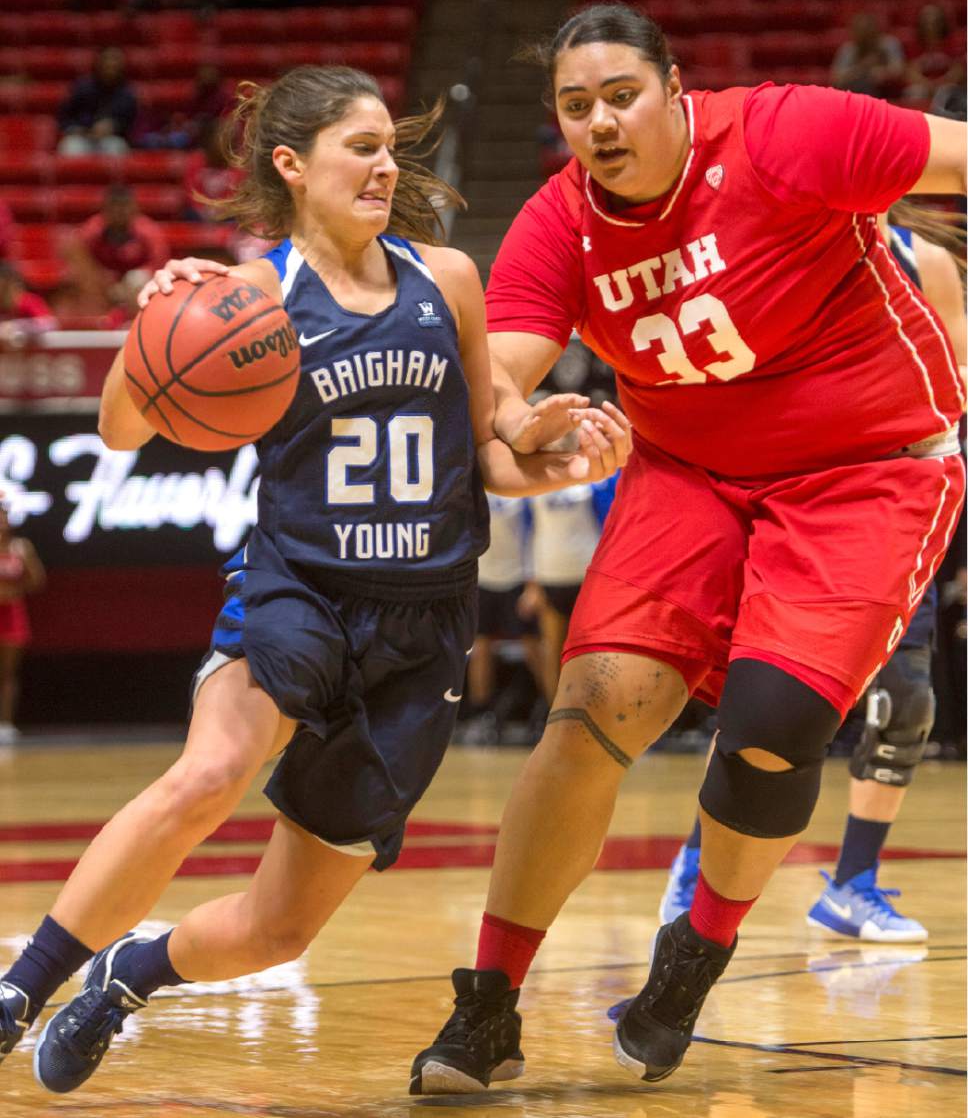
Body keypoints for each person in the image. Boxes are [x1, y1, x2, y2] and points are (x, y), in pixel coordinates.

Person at [0, 63, 629, 1092]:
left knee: (279, 930)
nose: (387, 165)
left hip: (424, 621)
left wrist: (562, 454)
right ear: (291, 164)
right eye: (362, 146)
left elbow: (492, 447)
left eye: (391, 146)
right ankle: (20, 987)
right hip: (301, 588)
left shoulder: (446, 281)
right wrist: (152, 325)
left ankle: (126, 974)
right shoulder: (253, 294)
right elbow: (121, 425)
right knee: (207, 775)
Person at [409, 3, 966, 1095]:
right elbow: (508, 375)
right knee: (591, 706)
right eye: (575, 107)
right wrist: (526, 424)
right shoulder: (558, 221)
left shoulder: (785, 133)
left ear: (674, 90)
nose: (599, 122)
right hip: (685, 472)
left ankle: (690, 958)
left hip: (865, 465)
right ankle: (486, 1002)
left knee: (770, 724)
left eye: (619, 95)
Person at [659, 210, 967, 944]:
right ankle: (699, 861)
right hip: (794, 499)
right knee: (768, 702)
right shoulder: (766, 242)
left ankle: (852, 883)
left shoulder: (923, 256)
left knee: (908, 695)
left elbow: (952, 385)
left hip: (893, 495)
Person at [519, 470, 618, 704]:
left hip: (588, 575)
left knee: (592, 650)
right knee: (553, 650)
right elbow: (528, 533)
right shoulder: (535, 483)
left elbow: (609, 526)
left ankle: (595, 711)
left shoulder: (595, 480)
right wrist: (531, 584)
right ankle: (554, 713)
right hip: (550, 575)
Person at [462, 491, 542, 746]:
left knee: (534, 648)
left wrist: (533, 584)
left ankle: (554, 707)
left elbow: (535, 534)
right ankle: (482, 714)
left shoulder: (525, 491)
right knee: (480, 647)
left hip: (518, 577)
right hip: (483, 578)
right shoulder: (473, 490)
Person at [64, 184, 171, 315]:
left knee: (136, 279)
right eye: (114, 207)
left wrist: (127, 284)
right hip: (103, 285)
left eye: (124, 207)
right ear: (105, 210)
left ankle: (137, 323)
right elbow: (75, 255)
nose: (119, 212)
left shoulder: (148, 232)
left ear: (134, 209)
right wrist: (97, 276)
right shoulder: (92, 230)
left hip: (136, 288)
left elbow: (158, 265)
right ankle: (98, 326)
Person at [0, 500, 45, 743]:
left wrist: (15, 590)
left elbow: (37, 580)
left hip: (12, 615)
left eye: (4, 517)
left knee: (8, 673)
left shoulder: (20, 547)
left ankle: (5, 724)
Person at [57, 47, 139, 156]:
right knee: (70, 147)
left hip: (111, 139)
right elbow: (64, 117)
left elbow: (132, 125)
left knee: (117, 148)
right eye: (107, 61)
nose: (111, 65)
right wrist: (78, 129)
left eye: (115, 62)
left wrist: (114, 127)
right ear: (99, 64)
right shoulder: (82, 88)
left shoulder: (127, 94)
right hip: (82, 137)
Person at [830, 12, 906, 100]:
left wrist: (883, 73)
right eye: (860, 32)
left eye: (867, 31)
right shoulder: (848, 50)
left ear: (875, 30)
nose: (865, 36)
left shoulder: (889, 44)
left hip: (886, 91)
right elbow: (837, 79)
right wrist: (861, 68)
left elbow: (899, 70)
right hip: (855, 91)